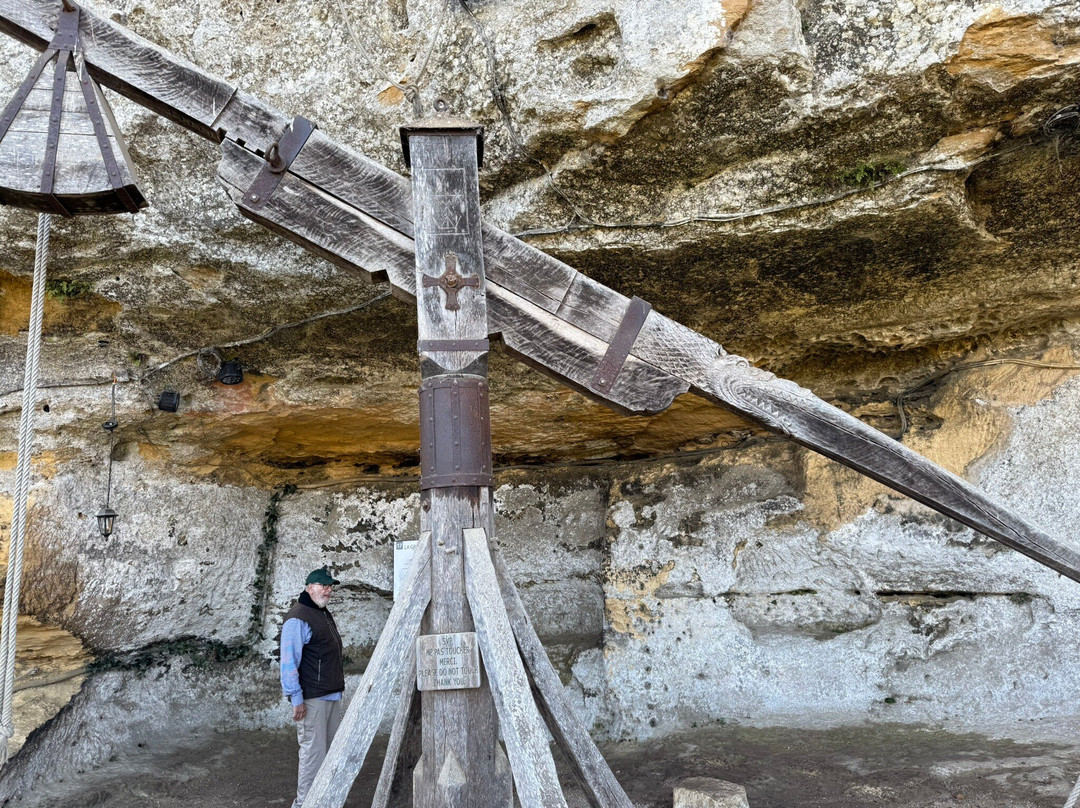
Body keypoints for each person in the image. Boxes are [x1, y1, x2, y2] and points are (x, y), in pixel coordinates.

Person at [281, 566, 346, 808]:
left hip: (330, 695)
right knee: (312, 755)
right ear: (310, 588)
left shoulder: (321, 612)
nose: (328, 590)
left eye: (330, 586)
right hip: (312, 699)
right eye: (323, 586)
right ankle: (305, 804)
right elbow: (288, 661)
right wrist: (295, 698)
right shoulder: (298, 617)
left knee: (328, 753)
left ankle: (325, 801)